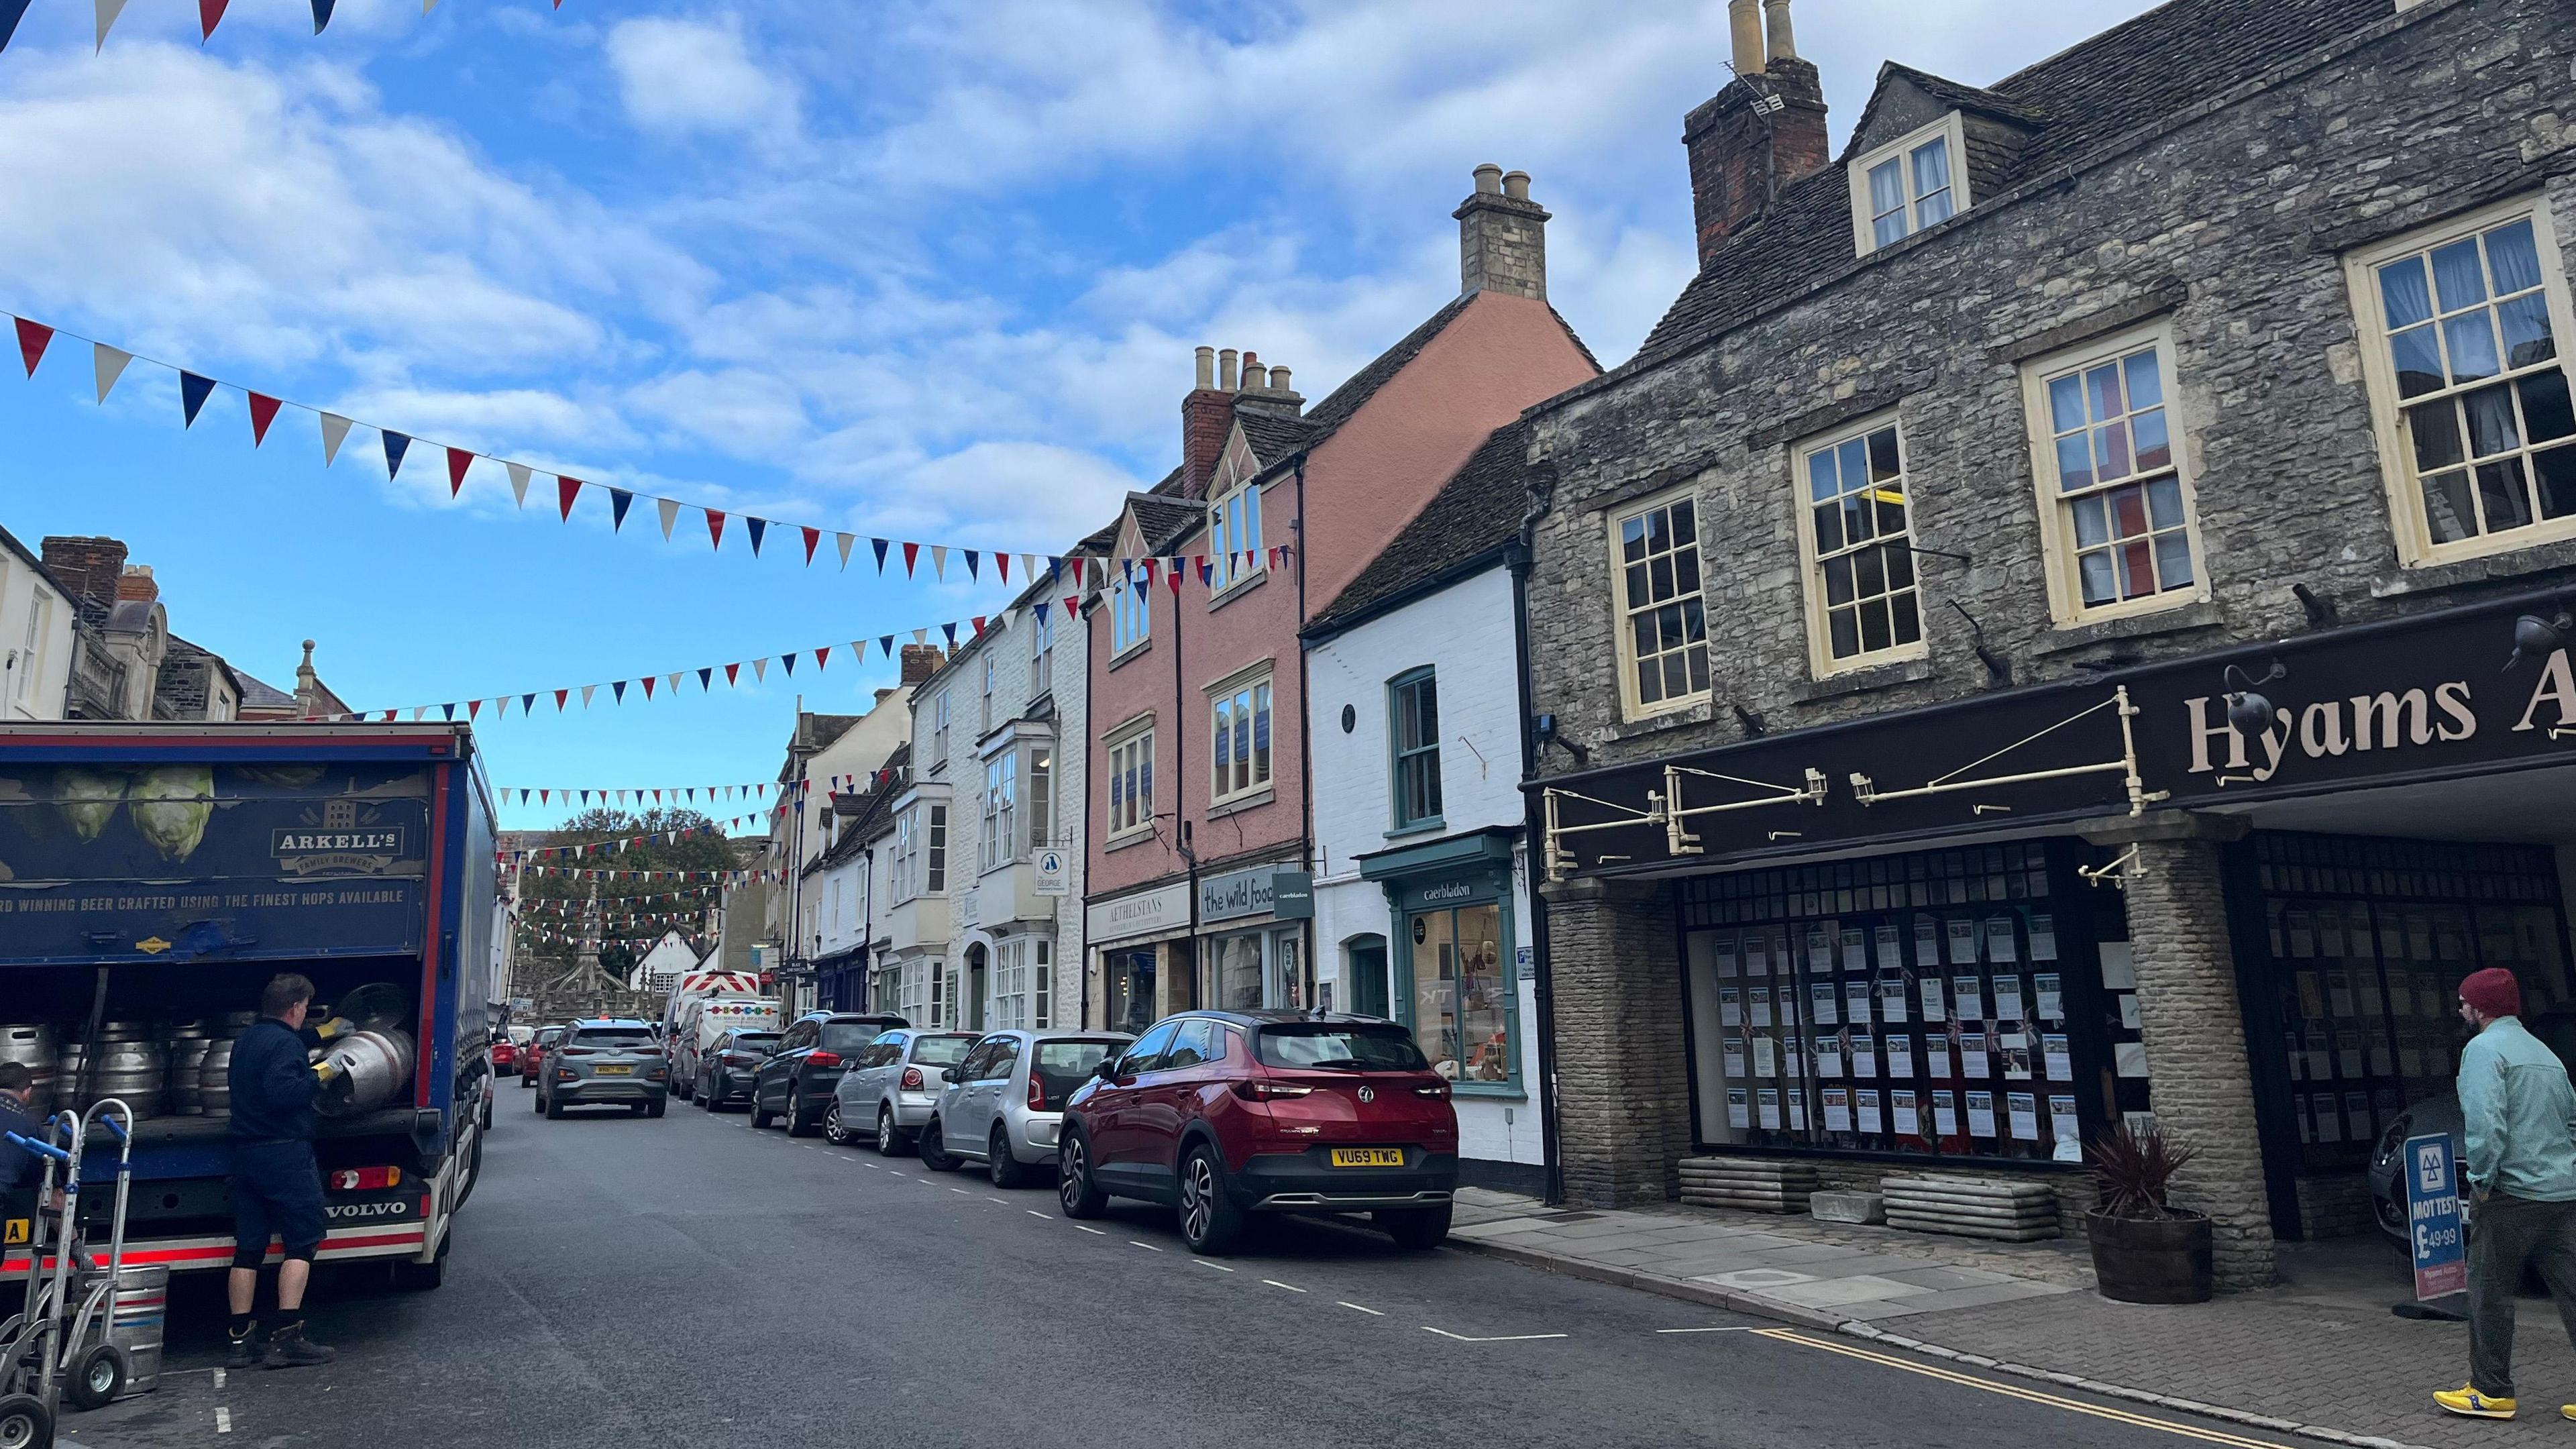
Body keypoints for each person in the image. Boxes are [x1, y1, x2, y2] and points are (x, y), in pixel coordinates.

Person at [2435, 967, 2576, 1421]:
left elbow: (2485, 1124)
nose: (2461, 1009)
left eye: (2464, 1002)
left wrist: (2480, 1179)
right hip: (2562, 1192)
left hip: (2510, 1194)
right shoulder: (2544, 1054)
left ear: (2479, 1008)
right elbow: (2571, 1122)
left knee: (2490, 1292)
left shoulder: (2482, 1051)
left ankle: (2491, 1391)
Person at [226, 973, 340, 1371]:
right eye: (306, 1009)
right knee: (302, 1243)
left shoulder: (247, 1039)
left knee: (249, 1249)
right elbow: (283, 1092)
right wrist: (321, 1074)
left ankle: (240, 1341)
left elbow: (276, 1051)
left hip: (246, 1154)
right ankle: (287, 1339)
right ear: (295, 1009)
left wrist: (320, 1034)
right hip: (285, 1155)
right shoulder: (286, 1043)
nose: (306, 1014)